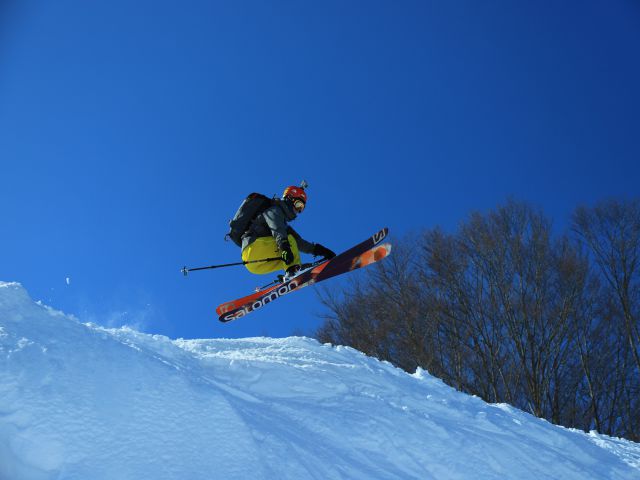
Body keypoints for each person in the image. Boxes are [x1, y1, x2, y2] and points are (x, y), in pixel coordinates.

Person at [240, 185, 336, 278]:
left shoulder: (284, 225)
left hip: (254, 265)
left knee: (287, 255)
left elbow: (299, 243)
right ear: (289, 198)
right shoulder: (274, 210)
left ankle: (290, 272)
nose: (297, 210)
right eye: (298, 205)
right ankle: (293, 270)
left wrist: (320, 250)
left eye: (301, 208)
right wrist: (284, 246)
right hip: (253, 248)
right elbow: (277, 229)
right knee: (288, 241)